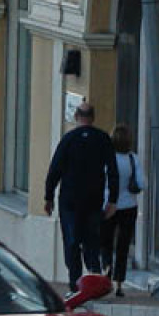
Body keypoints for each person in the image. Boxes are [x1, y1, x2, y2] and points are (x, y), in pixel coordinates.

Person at [44, 101, 118, 294]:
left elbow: (55, 169)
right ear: (93, 118)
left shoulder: (68, 139)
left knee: (72, 241)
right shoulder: (103, 139)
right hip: (93, 200)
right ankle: (94, 279)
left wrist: (48, 196)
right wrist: (113, 199)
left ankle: (75, 284)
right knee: (91, 241)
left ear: (76, 117)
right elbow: (112, 170)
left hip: (70, 200)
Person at [101, 124, 146, 297]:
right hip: (129, 206)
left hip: (107, 205)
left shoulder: (107, 158)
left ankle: (106, 270)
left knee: (105, 242)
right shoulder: (133, 159)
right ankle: (119, 283)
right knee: (123, 245)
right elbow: (142, 183)